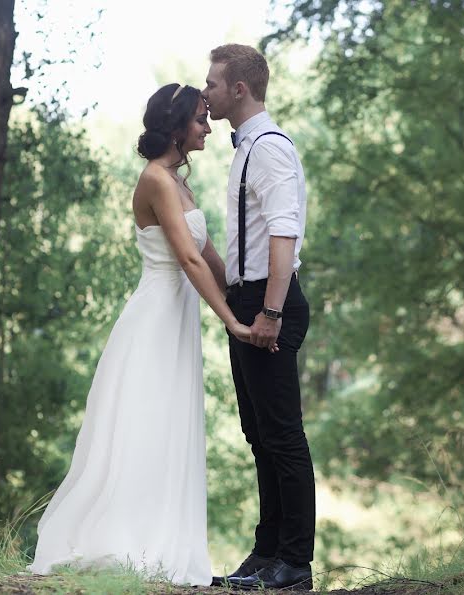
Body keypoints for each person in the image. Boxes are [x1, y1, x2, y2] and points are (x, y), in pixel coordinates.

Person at [27, 83, 253, 586]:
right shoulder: (155, 179)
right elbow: (188, 259)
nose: (208, 127)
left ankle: (162, 539)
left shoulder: (179, 182)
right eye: (199, 119)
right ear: (175, 128)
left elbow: (210, 253)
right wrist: (231, 322)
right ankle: (125, 542)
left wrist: (246, 299)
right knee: (146, 423)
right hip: (154, 319)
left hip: (179, 320)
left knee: (171, 424)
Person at [202, 44, 315, 591]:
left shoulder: (268, 148)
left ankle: (294, 564)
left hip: (269, 302)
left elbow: (283, 230)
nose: (206, 92)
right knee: (259, 434)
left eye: (213, 84)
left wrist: (270, 309)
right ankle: (267, 553)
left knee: (283, 435)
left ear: (239, 89)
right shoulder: (245, 148)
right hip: (246, 299)